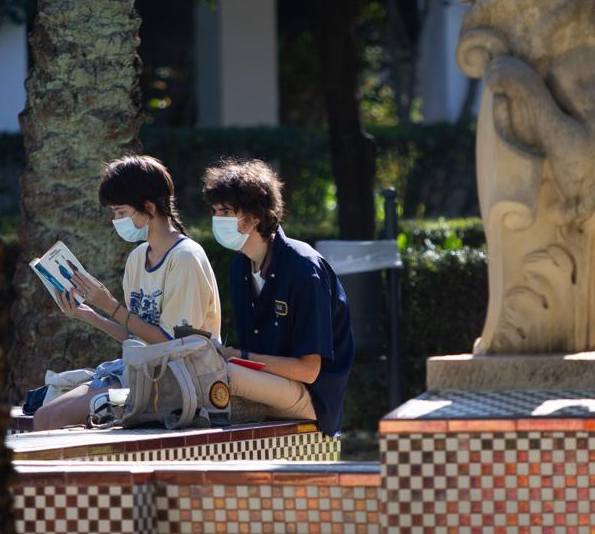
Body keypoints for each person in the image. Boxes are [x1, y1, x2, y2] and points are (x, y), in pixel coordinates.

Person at [32, 155, 221, 430]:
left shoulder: (185, 258)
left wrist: (110, 306)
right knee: (43, 414)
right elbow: (137, 340)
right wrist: (89, 315)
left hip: (177, 381)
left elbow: (174, 346)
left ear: (148, 207)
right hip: (140, 373)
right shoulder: (137, 258)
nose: (116, 220)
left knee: (50, 419)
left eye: (121, 212)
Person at [201, 158, 354, 437]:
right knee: (199, 374)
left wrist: (240, 357)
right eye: (214, 210)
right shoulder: (239, 268)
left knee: (217, 376)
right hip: (267, 386)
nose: (216, 219)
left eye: (225, 211)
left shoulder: (303, 269)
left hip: (312, 399)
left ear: (254, 216)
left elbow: (309, 371)